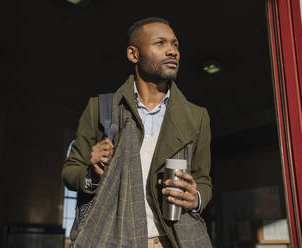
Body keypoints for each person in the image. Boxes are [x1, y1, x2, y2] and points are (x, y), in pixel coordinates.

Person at [62, 17, 212, 248]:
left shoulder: (197, 116)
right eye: (160, 43)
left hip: (176, 240)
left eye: (175, 45)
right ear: (133, 54)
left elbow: (203, 181)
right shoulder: (100, 108)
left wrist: (196, 198)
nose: (172, 51)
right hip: (113, 240)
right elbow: (71, 172)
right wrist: (93, 174)